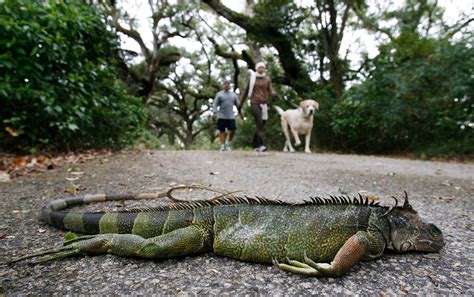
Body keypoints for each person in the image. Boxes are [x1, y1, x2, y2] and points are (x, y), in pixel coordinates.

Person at [239, 62, 278, 152]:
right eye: (259, 68)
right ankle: (262, 145)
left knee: (262, 124)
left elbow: (271, 89)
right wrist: (240, 104)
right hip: (254, 102)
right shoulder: (252, 79)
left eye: (263, 68)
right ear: (256, 69)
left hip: (264, 103)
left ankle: (255, 144)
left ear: (264, 69)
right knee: (259, 121)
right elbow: (246, 92)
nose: (261, 69)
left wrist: (273, 93)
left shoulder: (267, 79)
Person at [213, 81, 240, 151]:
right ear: (223, 85)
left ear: (230, 86)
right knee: (221, 130)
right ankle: (222, 145)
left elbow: (238, 105)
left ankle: (228, 143)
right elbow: (215, 104)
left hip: (231, 115)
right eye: (225, 84)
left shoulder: (233, 95)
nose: (226, 86)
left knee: (233, 129)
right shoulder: (219, 94)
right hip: (221, 115)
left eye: (228, 85)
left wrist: (241, 113)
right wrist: (215, 112)